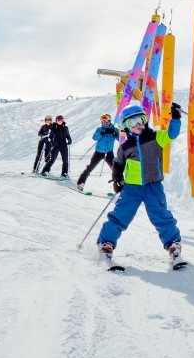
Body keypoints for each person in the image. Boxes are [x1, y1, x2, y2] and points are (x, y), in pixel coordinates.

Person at [96, 103, 184, 266]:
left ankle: (173, 244)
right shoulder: (125, 146)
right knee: (121, 215)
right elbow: (118, 163)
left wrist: (176, 118)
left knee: (161, 215)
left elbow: (172, 133)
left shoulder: (156, 138)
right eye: (132, 122)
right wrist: (117, 179)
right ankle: (106, 243)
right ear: (125, 127)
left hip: (153, 185)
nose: (137, 125)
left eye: (140, 120)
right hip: (132, 188)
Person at [76, 114, 120, 193]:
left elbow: (121, 140)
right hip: (99, 152)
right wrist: (102, 132)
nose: (104, 122)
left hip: (109, 153)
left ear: (109, 121)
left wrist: (115, 134)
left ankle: (120, 186)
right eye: (103, 121)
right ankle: (80, 184)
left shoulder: (114, 129)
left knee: (116, 169)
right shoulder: (99, 129)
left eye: (106, 120)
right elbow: (94, 138)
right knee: (90, 167)